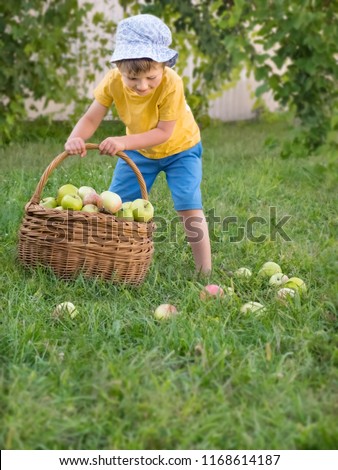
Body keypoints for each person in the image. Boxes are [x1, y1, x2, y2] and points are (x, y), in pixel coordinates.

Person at [65, 14, 211, 275]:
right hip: (139, 151)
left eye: (151, 78)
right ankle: (112, 260)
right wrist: (76, 138)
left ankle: (204, 270)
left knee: (188, 203)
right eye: (132, 79)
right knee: (116, 205)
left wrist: (122, 141)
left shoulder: (171, 83)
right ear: (119, 67)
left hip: (182, 149)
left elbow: (164, 133)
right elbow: (91, 117)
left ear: (163, 65)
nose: (142, 86)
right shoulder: (112, 81)